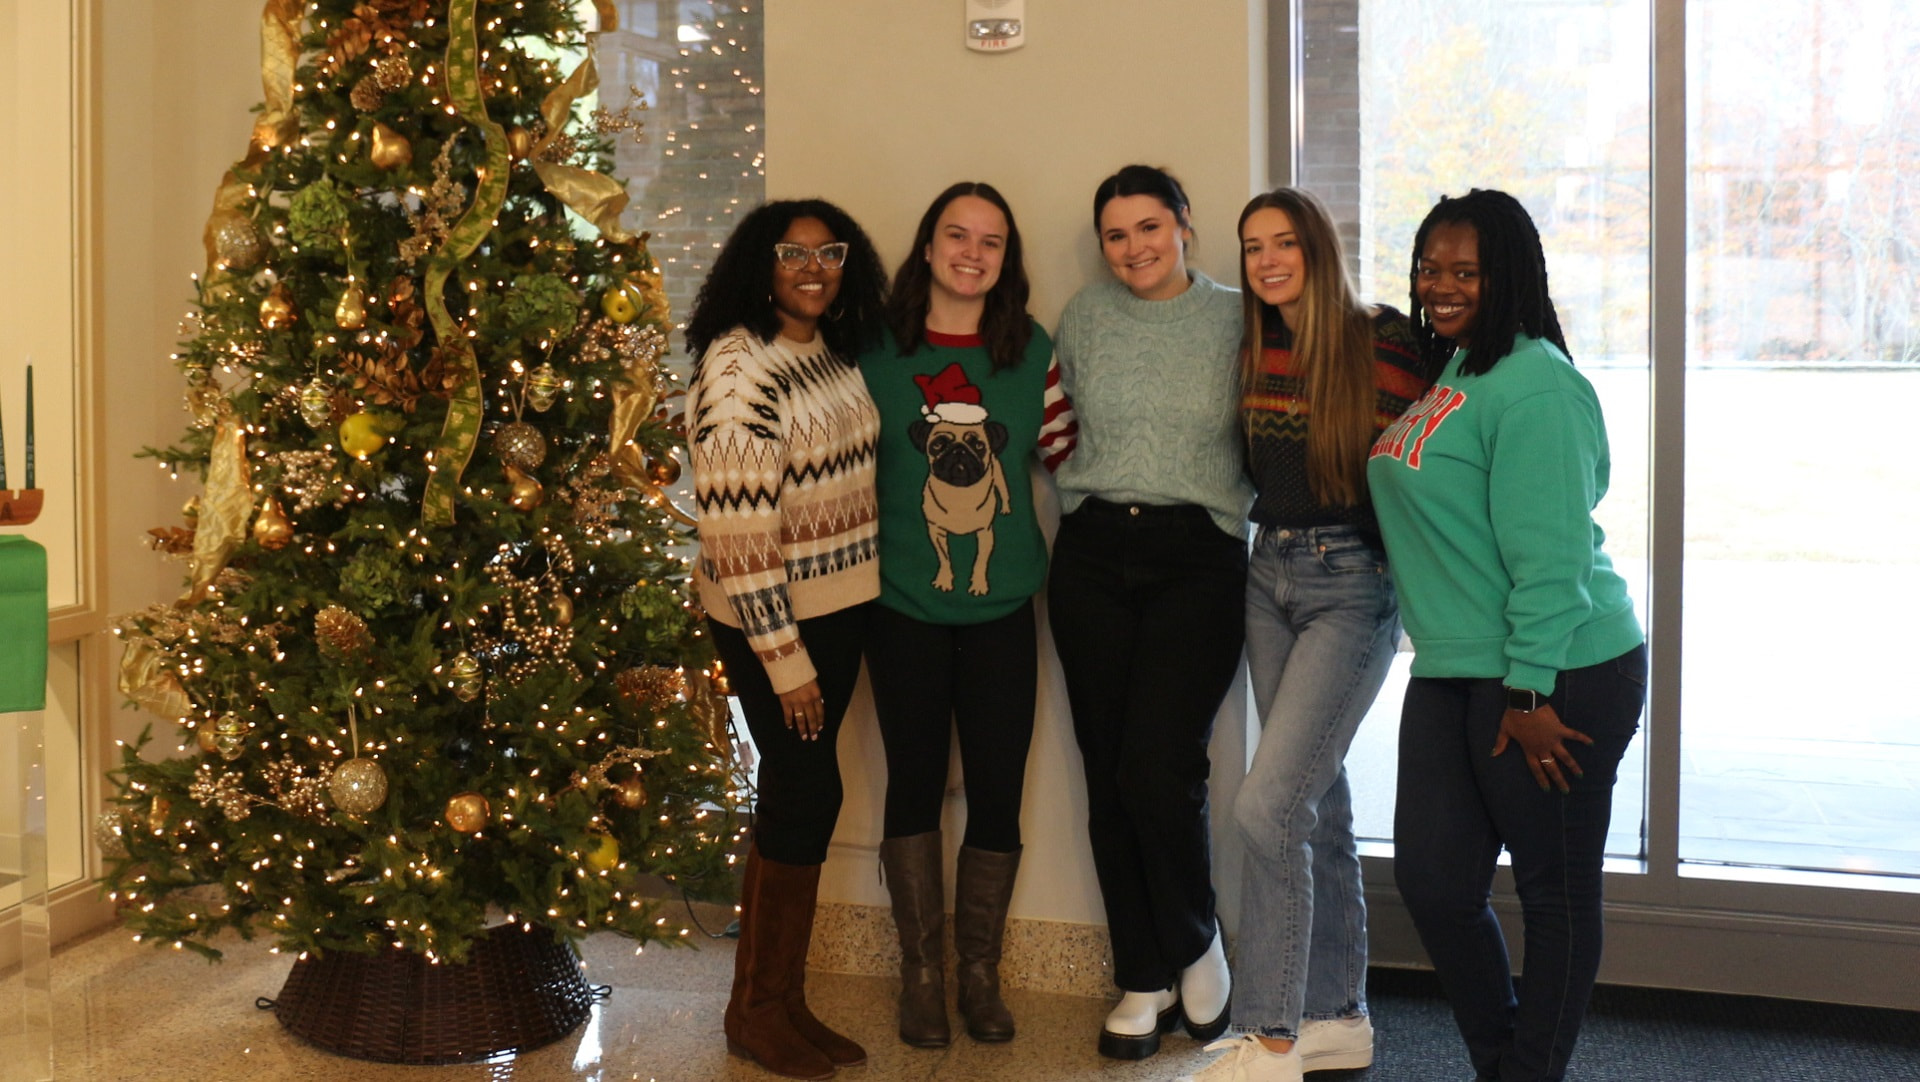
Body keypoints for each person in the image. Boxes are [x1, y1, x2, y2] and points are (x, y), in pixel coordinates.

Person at [1368, 188, 1646, 1082]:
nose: (1442, 285)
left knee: (1553, 894)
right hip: (1454, 667)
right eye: (1431, 267)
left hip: (1556, 669)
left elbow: (1552, 555)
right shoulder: (1456, 371)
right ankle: (1503, 1061)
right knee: (1436, 885)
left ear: (1510, 276)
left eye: (1467, 271)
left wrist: (1529, 689)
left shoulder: (1535, 383)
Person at [1181, 188, 1436, 1082]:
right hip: (1268, 573)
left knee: (1266, 807)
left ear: (1319, 248)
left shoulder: (1384, 338)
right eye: (1251, 247)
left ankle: (1270, 1035)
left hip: (1351, 585)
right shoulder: (1256, 345)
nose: (1265, 260)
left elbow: (1431, 457)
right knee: (1317, 807)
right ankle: (1338, 1015)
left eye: (1283, 242)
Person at [859, 181, 1078, 1048]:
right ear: (927, 246)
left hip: (1004, 605)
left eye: (991, 241)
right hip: (897, 603)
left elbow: (1068, 457)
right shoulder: (873, 349)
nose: (972, 252)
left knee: (996, 789)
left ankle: (978, 973)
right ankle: (920, 974)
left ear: (1006, 262)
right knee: (911, 784)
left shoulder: (1032, 352)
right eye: (957, 234)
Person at [1047, 164, 1252, 1061]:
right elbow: (1058, 432)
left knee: (1158, 767)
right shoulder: (1085, 318)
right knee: (1105, 771)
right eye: (1116, 235)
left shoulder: (1238, 317)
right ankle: (1142, 974)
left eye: (1148, 228)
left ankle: (1195, 940)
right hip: (1091, 552)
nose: (1132, 248)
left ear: (1185, 227)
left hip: (1197, 555)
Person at [685, 198, 889, 1082]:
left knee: (800, 797)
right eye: (793, 254)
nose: (814, 269)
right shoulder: (737, 373)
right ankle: (757, 1011)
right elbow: (737, 539)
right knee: (805, 794)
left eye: (830, 253)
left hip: (839, 606)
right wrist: (785, 660)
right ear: (757, 265)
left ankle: (774, 1002)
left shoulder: (825, 351)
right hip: (778, 621)